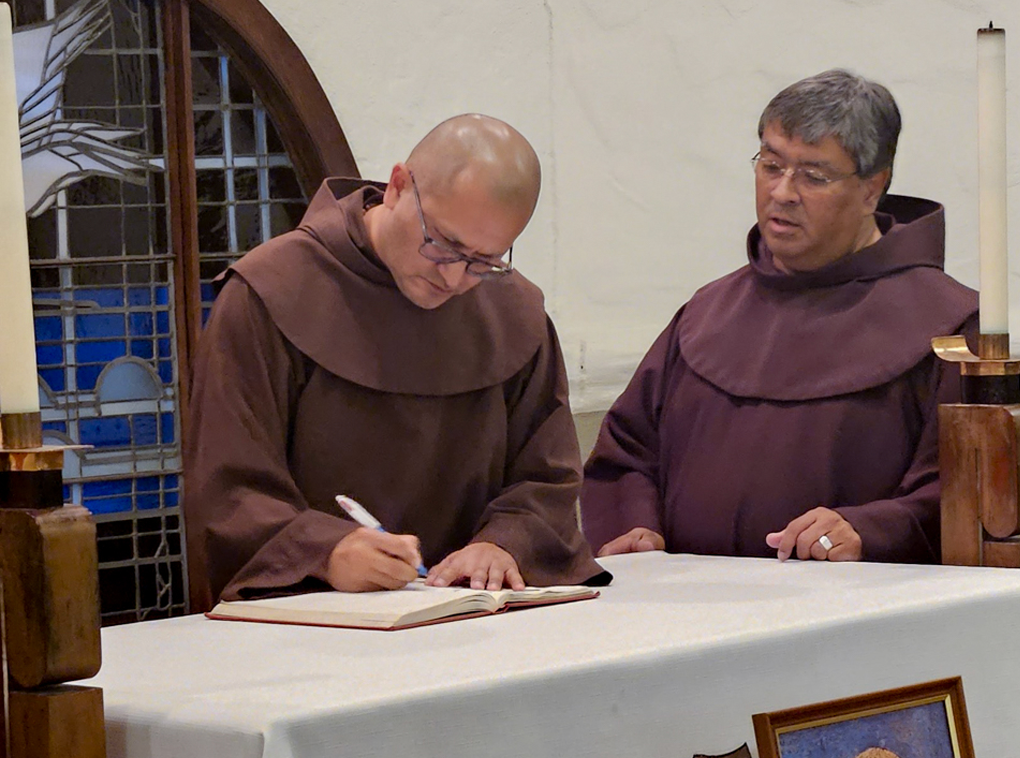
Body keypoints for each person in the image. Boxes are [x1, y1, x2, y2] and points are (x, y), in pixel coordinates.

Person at [184, 114, 607, 606]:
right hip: (311, 633)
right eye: (443, 244)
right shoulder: (269, 294)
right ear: (399, 186)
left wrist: (503, 543)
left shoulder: (516, 314)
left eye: (484, 261)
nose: (454, 279)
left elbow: (547, 477)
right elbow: (228, 490)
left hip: (481, 627)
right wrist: (324, 552)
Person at [580, 70, 978, 565]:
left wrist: (869, 530)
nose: (783, 192)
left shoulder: (948, 327)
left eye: (813, 175)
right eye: (771, 165)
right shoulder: (706, 312)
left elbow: (962, 493)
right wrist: (635, 527)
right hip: (688, 615)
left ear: (872, 189)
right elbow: (627, 452)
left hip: (855, 619)